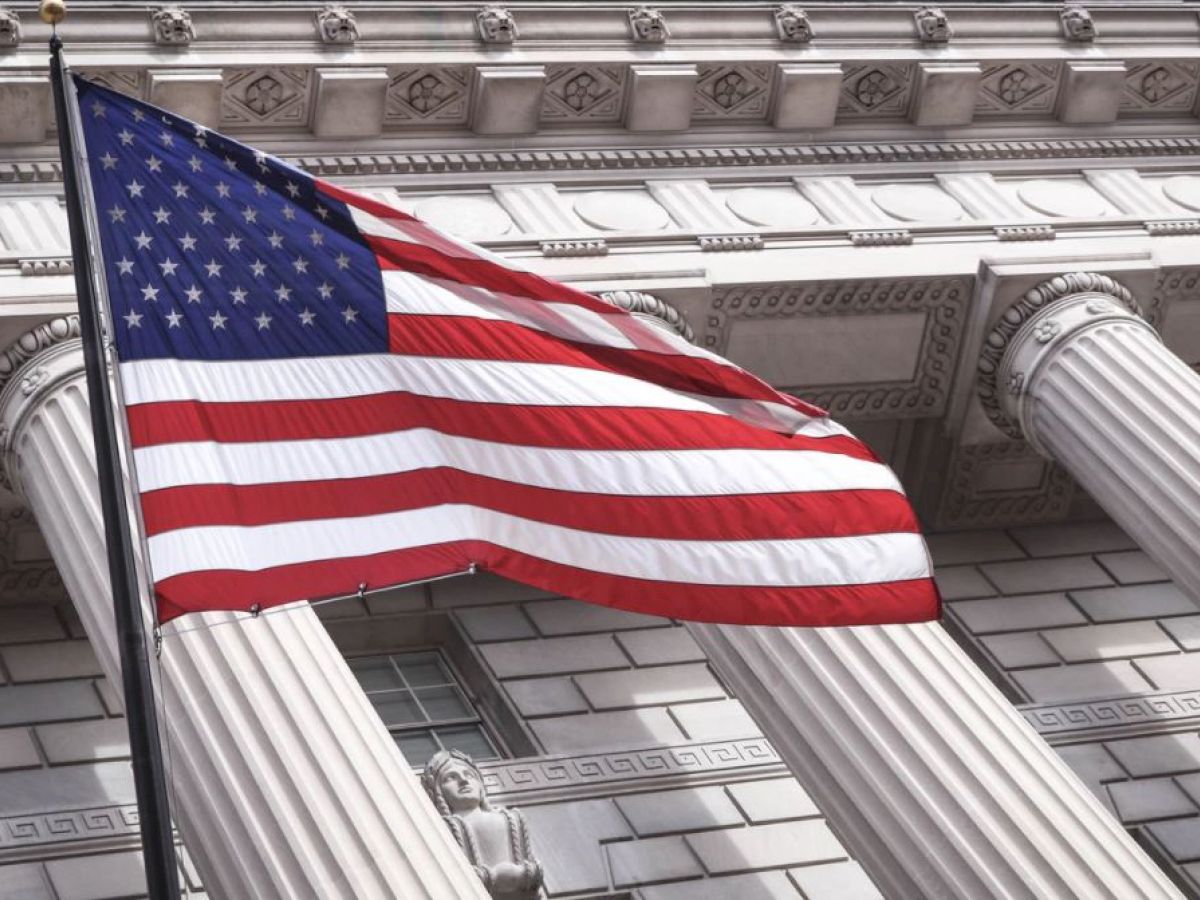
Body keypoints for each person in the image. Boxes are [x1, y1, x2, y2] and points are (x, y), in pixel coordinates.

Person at [421, 749, 545, 899]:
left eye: (469, 775)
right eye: (450, 777)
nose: (463, 780)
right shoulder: (442, 830)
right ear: (437, 791)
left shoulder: (510, 818)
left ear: (481, 785)